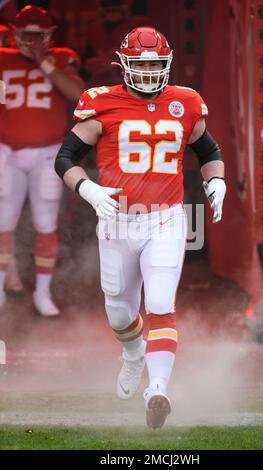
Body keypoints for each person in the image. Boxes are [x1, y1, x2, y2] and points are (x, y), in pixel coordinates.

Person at [55, 27, 226, 428]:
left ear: (166, 64)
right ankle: (133, 355)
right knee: (118, 312)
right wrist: (89, 189)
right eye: (141, 63)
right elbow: (65, 158)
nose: (149, 71)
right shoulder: (101, 103)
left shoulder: (185, 102)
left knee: (162, 304)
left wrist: (215, 179)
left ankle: (159, 390)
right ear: (124, 65)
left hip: (165, 218)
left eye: (155, 63)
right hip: (117, 220)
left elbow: (209, 150)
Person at [0, 5, 84, 316]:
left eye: (38, 36)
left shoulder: (62, 57)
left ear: (49, 35)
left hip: (47, 153)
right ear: (13, 33)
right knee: (3, 223)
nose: (31, 41)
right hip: (7, 151)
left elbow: (78, 93)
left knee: (46, 223)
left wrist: (43, 63)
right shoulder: (3, 60)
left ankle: (43, 293)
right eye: (25, 36)